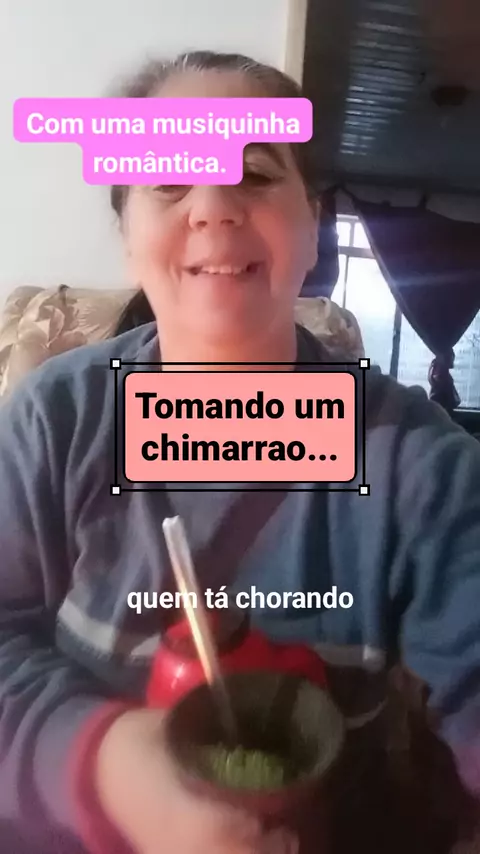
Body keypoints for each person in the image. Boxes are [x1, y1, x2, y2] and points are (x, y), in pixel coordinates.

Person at [0, 50, 480, 854]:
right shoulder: (53, 420)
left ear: (312, 224)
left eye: (255, 175)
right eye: (168, 182)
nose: (215, 206)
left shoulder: (422, 470)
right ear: (127, 232)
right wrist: (104, 762)